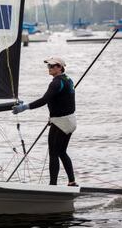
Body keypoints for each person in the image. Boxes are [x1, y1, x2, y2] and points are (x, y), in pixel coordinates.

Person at [13, 57, 77, 186]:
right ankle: (72, 181)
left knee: (53, 153)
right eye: (49, 66)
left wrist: (24, 107)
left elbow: (44, 100)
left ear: (60, 67)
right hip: (70, 121)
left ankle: (52, 185)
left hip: (61, 122)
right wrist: (52, 116)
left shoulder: (56, 82)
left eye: (52, 66)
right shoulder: (68, 79)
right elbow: (63, 100)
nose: (50, 68)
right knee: (61, 152)